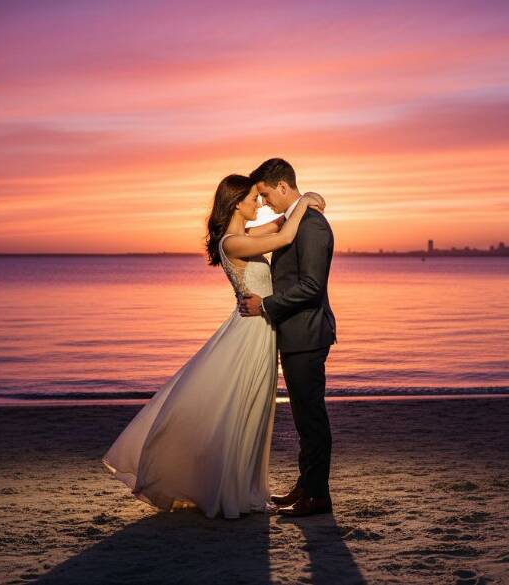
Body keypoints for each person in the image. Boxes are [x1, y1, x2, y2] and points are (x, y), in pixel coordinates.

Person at [102, 174, 325, 519]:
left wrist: (302, 201)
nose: (260, 204)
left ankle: (246, 485)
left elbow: (283, 222)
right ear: (237, 202)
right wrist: (307, 200)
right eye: (254, 198)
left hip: (262, 331)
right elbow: (285, 234)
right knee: (240, 407)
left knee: (255, 410)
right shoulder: (231, 243)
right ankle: (229, 489)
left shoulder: (245, 235)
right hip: (249, 334)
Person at [239, 158, 337, 517]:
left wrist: (265, 306)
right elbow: (273, 232)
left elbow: (311, 286)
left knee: (311, 417)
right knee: (303, 416)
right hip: (296, 333)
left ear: (282, 186)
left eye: (265, 195)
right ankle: (307, 484)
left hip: (307, 334)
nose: (264, 203)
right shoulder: (297, 221)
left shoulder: (312, 226)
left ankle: (317, 496)